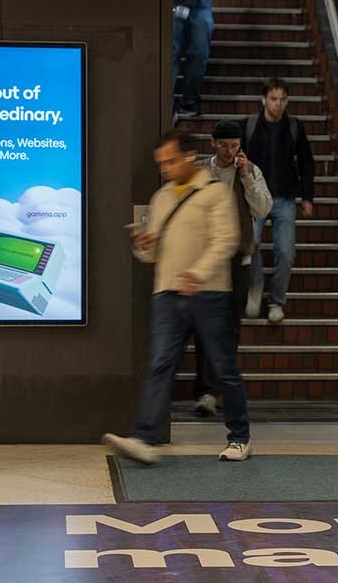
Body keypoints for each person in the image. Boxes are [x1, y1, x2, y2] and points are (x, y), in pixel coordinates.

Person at [102, 130, 251, 463]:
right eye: (162, 163)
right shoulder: (161, 198)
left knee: (223, 367)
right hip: (167, 295)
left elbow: (226, 241)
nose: (165, 168)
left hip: (210, 294)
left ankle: (240, 437)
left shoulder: (214, 193)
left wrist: (197, 273)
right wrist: (144, 246)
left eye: (170, 161)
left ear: (189, 156)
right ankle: (145, 438)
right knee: (159, 365)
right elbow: (154, 256)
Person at [192, 120, 272, 416]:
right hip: (206, 258)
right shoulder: (200, 170)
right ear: (213, 144)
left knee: (229, 327)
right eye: (224, 145)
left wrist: (246, 177)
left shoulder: (250, 171)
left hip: (239, 259)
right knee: (205, 326)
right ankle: (206, 391)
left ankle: (220, 389)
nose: (229, 151)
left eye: (235, 146)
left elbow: (263, 209)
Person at [244, 78, 315, 324]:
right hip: (255, 197)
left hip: (284, 197)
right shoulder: (250, 126)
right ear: (263, 99)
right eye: (273, 99)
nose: (278, 104)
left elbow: (306, 162)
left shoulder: (294, 127)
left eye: (283, 99)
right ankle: (255, 288)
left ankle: (276, 301)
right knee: (250, 243)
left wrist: (307, 197)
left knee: (285, 252)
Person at [172, 0, 231, 119]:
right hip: (170, 4)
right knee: (168, 55)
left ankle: (190, 104)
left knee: (199, 53)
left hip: (199, 5)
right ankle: (166, 104)